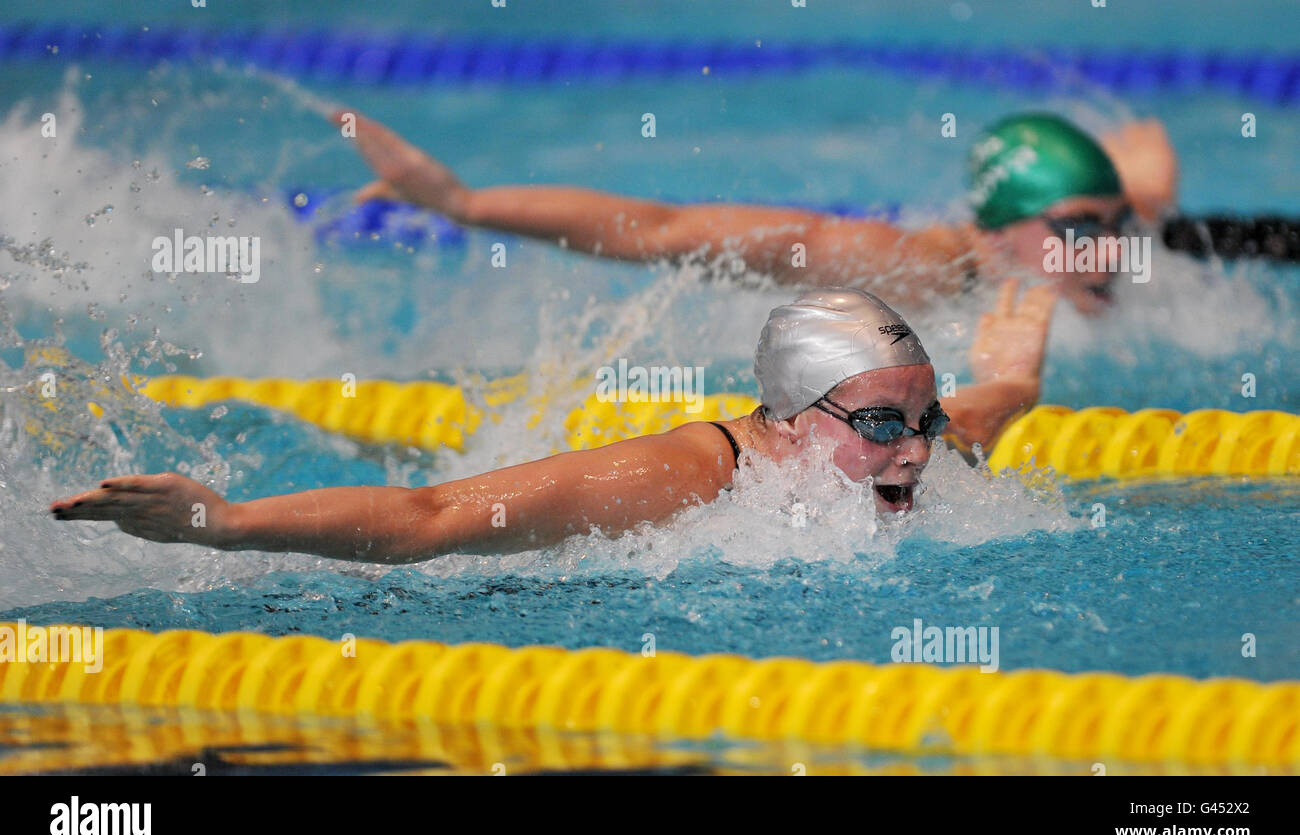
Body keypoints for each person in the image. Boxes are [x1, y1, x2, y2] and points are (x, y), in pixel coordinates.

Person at [49, 281, 1054, 563]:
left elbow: (977, 414)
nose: (917, 449)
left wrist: (1012, 378)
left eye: (920, 415)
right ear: (788, 417)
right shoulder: (690, 477)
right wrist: (223, 523)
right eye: (884, 423)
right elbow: (433, 516)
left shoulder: (901, 445)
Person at [330, 108, 1178, 314]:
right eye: (1075, 230)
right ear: (996, 228)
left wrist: (1125, 196)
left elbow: (1149, 144)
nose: (1106, 253)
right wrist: (468, 204)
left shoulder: (1100, 235)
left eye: (1116, 227)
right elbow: (669, 230)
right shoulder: (912, 265)